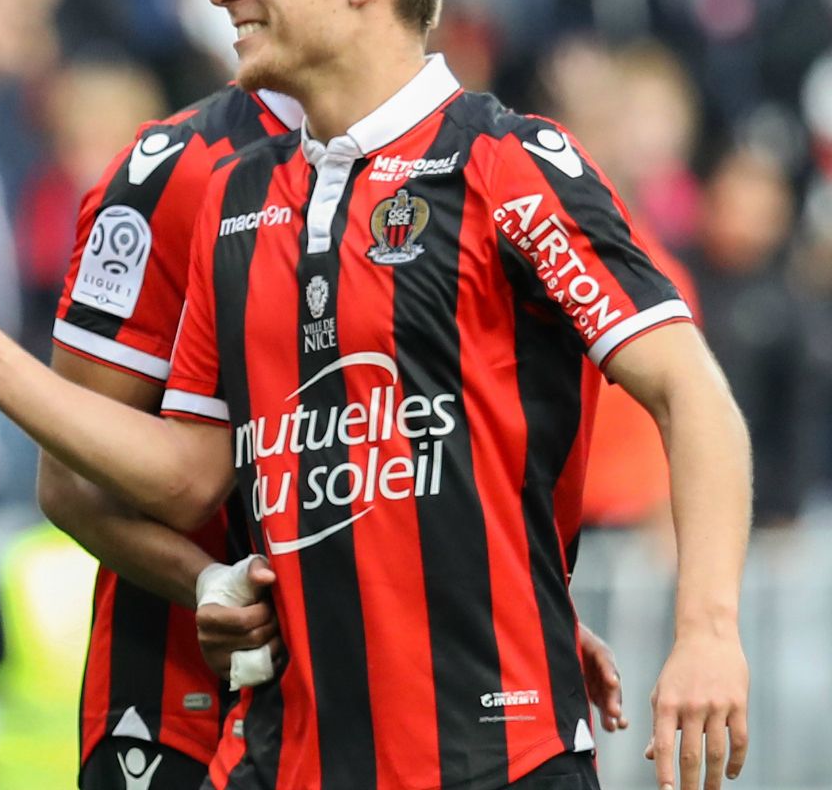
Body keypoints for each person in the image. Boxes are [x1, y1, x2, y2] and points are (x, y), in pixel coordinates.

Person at [0, 0, 750, 790]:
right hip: (262, 748)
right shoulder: (232, 193)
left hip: (495, 756)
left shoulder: (506, 165)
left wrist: (700, 632)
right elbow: (181, 473)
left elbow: (688, 390)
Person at [42, 82, 630, 787]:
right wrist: (207, 583)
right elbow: (72, 484)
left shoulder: (467, 162)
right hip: (176, 708)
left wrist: (500, 604)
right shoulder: (180, 169)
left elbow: (393, 448)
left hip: (367, 715)